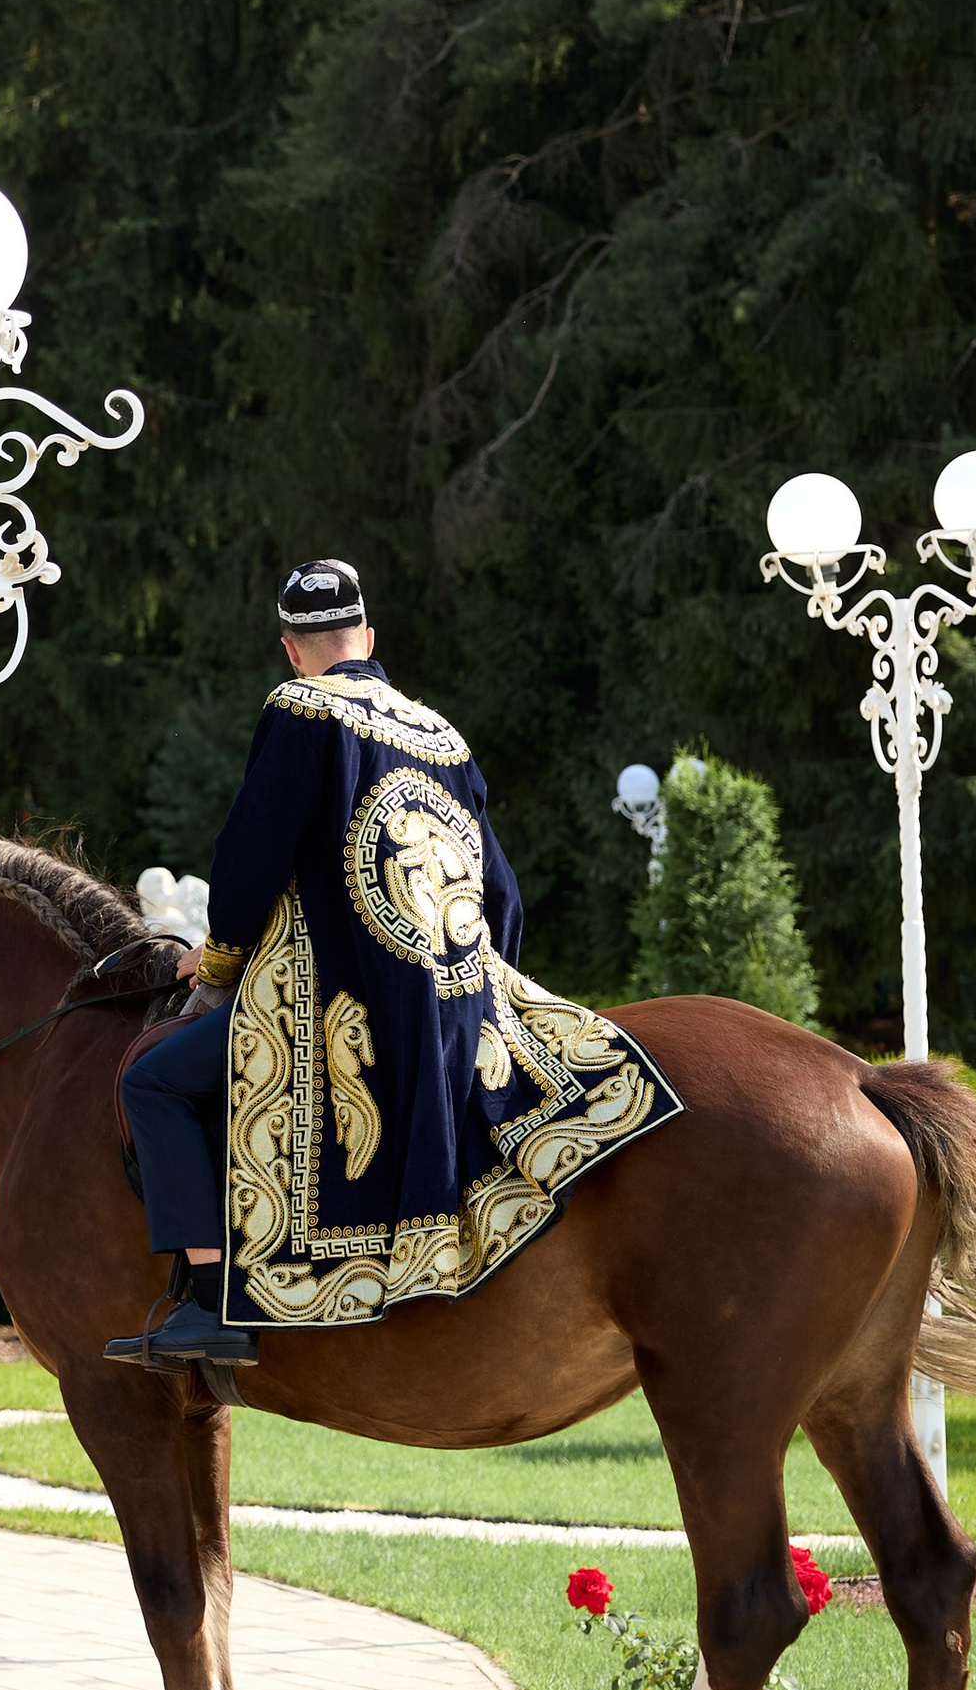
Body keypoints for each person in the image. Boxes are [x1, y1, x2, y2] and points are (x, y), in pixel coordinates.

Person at [112, 560, 678, 1369]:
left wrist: (220, 965)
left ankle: (209, 1304)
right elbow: (502, 895)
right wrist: (475, 1005)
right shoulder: (443, 736)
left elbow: (248, 860)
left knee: (153, 1082)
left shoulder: (299, 708)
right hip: (460, 1002)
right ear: (368, 640)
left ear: (291, 650)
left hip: (332, 1008)